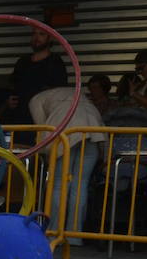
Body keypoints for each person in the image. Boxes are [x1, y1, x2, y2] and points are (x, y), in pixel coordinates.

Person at [29, 85, 104, 246]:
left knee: (58, 185)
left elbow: (43, 129)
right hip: (93, 127)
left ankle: (53, 233)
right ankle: (74, 236)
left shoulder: (35, 99)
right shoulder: (71, 93)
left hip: (67, 129)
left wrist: (41, 154)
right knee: (80, 184)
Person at [8, 26, 67, 126]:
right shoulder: (23, 62)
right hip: (20, 119)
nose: (36, 37)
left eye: (41, 34)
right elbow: (13, 86)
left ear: (50, 38)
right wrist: (9, 101)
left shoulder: (55, 63)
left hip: (43, 120)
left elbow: (60, 93)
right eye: (34, 33)